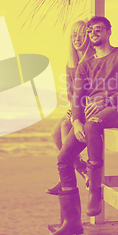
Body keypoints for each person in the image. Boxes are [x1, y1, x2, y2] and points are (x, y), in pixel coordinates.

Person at [51, 16, 118, 235]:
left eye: (99, 29)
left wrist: (106, 100)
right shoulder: (84, 65)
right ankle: (72, 222)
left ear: (109, 31)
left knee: (94, 124)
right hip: (88, 115)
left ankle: (94, 189)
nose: (93, 32)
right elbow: (78, 97)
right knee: (63, 157)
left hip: (116, 109)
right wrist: (76, 121)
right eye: (90, 30)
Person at [46, 20, 94, 195]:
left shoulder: (94, 60)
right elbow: (70, 93)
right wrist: (72, 109)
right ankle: (81, 169)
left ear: (88, 37)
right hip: (77, 107)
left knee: (66, 126)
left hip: (91, 108)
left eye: (80, 35)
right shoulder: (71, 63)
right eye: (73, 35)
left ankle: (65, 176)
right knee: (54, 133)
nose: (76, 39)